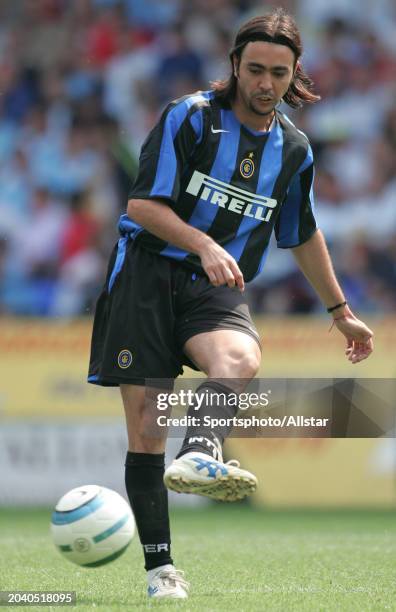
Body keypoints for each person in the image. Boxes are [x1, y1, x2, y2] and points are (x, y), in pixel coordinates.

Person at [88, 8, 373, 600]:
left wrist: (339, 310)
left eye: (278, 72)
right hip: (145, 276)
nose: (266, 83)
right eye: (255, 70)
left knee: (239, 359)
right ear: (235, 67)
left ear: (295, 74)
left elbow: (301, 231)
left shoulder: (294, 150)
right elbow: (142, 206)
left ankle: (202, 451)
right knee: (147, 427)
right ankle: (161, 570)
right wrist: (205, 242)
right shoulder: (189, 118)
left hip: (215, 287)